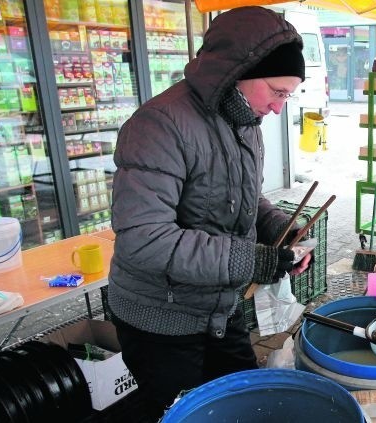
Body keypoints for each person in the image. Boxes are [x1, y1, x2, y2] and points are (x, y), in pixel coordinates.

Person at [106, 6, 311, 419]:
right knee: (184, 413)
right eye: (276, 92)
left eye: (287, 96)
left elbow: (244, 199)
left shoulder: (244, 123)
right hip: (161, 320)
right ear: (241, 69)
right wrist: (250, 259)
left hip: (220, 307)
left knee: (244, 404)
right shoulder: (159, 125)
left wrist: (277, 229)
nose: (277, 109)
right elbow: (144, 239)